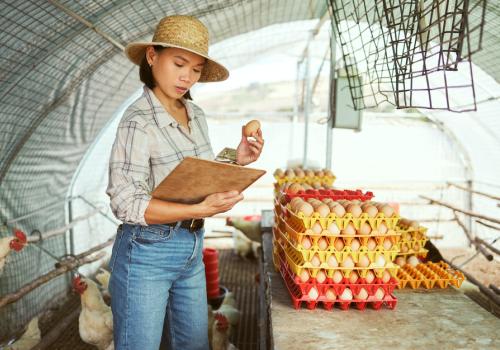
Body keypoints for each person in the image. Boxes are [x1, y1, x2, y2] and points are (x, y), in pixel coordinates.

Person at [106, 15, 264, 350]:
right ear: (152, 56)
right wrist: (201, 207)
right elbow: (125, 201)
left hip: (190, 247)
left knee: (195, 344)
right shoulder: (138, 121)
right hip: (146, 250)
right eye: (179, 63)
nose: (186, 77)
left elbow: (197, 174)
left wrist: (238, 160)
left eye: (195, 69)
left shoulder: (196, 115)